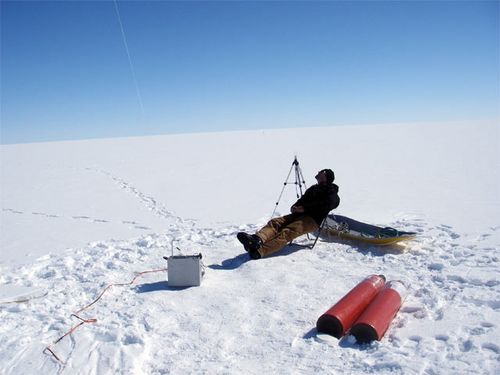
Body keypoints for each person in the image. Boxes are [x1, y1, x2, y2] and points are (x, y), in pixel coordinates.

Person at [237, 169, 340, 259]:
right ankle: (256, 240)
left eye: (320, 172)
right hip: (298, 215)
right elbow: (302, 200)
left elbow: (329, 204)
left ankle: (259, 251)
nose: (317, 173)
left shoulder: (332, 192)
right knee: (275, 222)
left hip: (312, 220)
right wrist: (295, 207)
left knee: (287, 231)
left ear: (326, 176)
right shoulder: (313, 189)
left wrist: (304, 208)